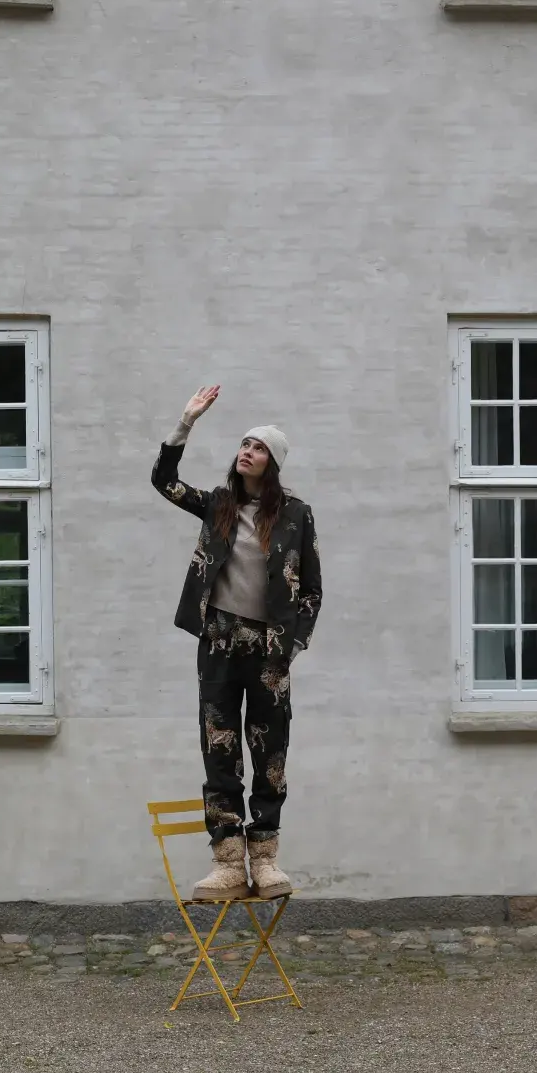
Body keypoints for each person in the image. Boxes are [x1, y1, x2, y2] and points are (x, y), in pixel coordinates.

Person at [152, 385, 322, 902]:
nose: (246, 451)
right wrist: (186, 422)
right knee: (219, 745)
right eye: (243, 444)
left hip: (269, 651)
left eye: (258, 447)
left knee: (270, 749)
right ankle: (227, 859)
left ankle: (265, 858)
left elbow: (312, 590)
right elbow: (164, 482)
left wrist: (293, 646)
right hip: (220, 643)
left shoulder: (295, 513)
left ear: (273, 462)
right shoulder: (218, 506)